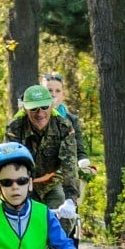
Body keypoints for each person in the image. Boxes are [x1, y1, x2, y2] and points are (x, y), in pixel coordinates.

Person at [5, 84, 80, 249]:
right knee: (17, 225)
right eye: (34, 109)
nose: (40, 114)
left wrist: (71, 200)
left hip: (52, 183)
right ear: (26, 109)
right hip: (23, 185)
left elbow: (69, 165)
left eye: (44, 107)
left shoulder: (63, 126)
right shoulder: (15, 127)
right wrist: (18, 191)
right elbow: (11, 164)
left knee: (65, 221)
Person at [42, 72, 95, 201]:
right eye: (49, 90)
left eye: (57, 91)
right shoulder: (35, 117)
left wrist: (84, 164)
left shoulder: (71, 120)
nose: (53, 94)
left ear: (63, 94)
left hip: (63, 176)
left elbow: (79, 150)